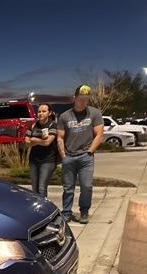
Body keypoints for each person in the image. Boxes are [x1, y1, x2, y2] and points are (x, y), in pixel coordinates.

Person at [56, 84, 104, 224]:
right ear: (74, 98)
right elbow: (60, 137)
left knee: (86, 186)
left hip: (86, 157)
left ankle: (84, 211)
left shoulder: (94, 113)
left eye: (86, 99)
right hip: (69, 156)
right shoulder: (65, 116)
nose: (83, 102)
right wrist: (63, 156)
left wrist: (90, 151)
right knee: (68, 188)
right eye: (80, 99)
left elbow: (99, 134)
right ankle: (66, 212)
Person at [25, 103, 58, 197]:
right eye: (39, 111)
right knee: (34, 188)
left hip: (48, 160)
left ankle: (43, 209)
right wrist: (41, 141)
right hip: (33, 160)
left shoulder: (52, 125)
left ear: (49, 113)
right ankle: (37, 208)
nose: (41, 113)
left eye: (44, 111)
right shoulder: (32, 125)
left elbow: (48, 142)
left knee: (42, 187)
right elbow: (27, 142)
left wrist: (34, 140)